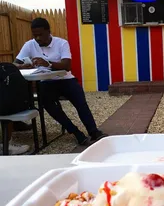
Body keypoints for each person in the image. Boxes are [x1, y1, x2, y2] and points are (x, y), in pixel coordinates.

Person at [13, 17, 107, 145]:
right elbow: (15, 64)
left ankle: (94, 132)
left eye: (41, 35)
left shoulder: (61, 43)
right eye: (35, 35)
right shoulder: (29, 45)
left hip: (65, 79)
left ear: (48, 31)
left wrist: (48, 63)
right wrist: (24, 66)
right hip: (46, 82)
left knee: (80, 101)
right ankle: (75, 132)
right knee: (48, 105)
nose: (38, 38)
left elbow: (67, 65)